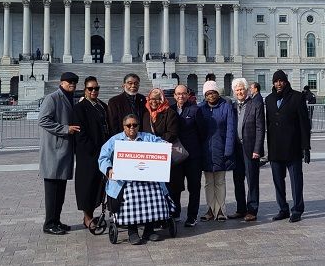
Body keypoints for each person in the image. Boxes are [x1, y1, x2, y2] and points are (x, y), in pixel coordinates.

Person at [98, 114, 173, 245]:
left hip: (147, 178)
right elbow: (103, 157)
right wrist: (109, 169)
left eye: (135, 125)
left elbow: (161, 145)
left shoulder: (147, 137)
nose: (132, 127)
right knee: (129, 197)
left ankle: (149, 230)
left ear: (138, 126)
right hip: (125, 181)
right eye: (128, 125)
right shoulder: (115, 140)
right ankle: (132, 232)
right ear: (123, 126)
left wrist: (165, 146)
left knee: (154, 195)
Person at [265, 70, 311, 223]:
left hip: (293, 147)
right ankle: (283, 209)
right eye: (276, 81)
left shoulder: (297, 97)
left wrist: (306, 147)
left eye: (281, 81)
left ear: (285, 82)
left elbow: (304, 125)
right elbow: (268, 125)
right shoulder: (269, 100)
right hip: (276, 148)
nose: (278, 84)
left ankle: (297, 209)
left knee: (296, 180)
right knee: (278, 181)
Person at [39, 72, 81, 235]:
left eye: (74, 82)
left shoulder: (69, 97)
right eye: (69, 81)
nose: (72, 84)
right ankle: (49, 223)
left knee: (60, 191)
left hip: (63, 152)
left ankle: (56, 220)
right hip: (53, 152)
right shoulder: (53, 98)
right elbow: (43, 120)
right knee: (52, 191)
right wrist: (65, 129)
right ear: (61, 82)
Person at [73, 76, 109, 230]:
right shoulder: (79, 108)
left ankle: (90, 214)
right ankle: (87, 217)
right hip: (89, 154)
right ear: (85, 90)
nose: (94, 91)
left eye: (96, 88)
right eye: (90, 89)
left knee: (98, 186)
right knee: (87, 185)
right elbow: (80, 134)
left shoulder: (102, 106)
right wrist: (93, 150)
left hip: (103, 153)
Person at [198, 80, 236, 221]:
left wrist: (228, 150)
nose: (211, 95)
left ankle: (220, 209)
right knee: (208, 181)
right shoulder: (200, 108)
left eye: (213, 92)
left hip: (221, 148)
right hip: (206, 150)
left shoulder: (226, 107)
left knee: (220, 181)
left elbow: (230, 129)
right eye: (208, 93)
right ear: (205, 95)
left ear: (218, 93)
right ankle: (210, 209)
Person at [169, 84, 205, 227]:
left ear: (188, 95)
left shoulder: (195, 110)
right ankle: (176, 212)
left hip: (192, 156)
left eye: (183, 93)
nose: (181, 96)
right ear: (174, 96)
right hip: (176, 155)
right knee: (176, 186)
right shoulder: (170, 110)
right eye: (178, 94)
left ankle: (192, 216)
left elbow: (203, 132)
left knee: (194, 186)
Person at [230, 77, 264, 222]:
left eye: (241, 89)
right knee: (237, 180)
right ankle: (240, 208)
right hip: (236, 148)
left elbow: (260, 128)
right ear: (234, 92)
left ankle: (252, 210)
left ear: (246, 90)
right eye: (237, 90)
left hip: (250, 148)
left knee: (252, 180)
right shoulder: (231, 106)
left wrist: (257, 149)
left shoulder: (255, 104)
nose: (239, 92)